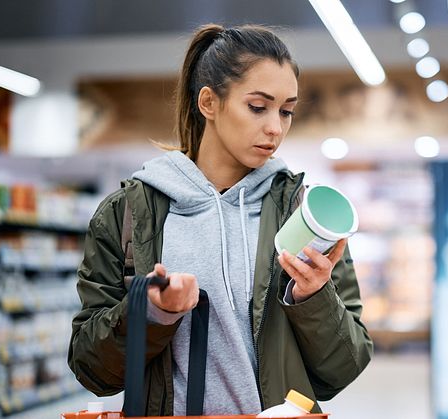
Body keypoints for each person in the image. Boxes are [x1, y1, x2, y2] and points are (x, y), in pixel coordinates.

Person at [68, 23, 373, 416]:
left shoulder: (304, 214)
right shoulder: (128, 214)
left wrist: (313, 298)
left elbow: (342, 369)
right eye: (258, 107)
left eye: (287, 111)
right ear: (209, 102)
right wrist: (153, 312)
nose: (275, 128)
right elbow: (92, 370)